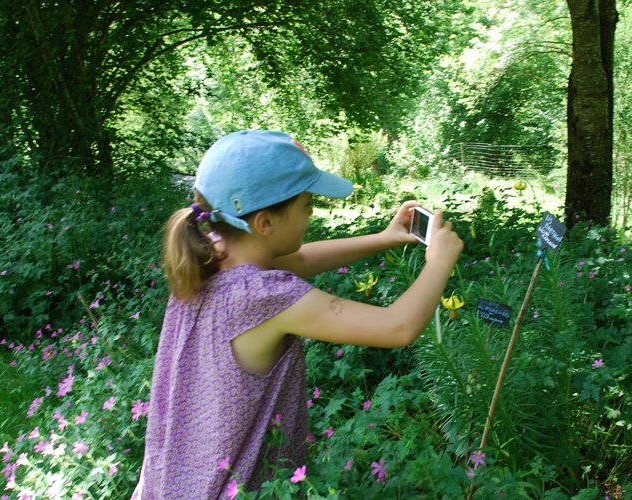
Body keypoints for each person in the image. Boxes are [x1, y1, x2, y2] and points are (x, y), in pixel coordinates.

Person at [132, 130, 462, 498]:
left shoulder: (209, 254)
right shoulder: (264, 296)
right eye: (307, 204)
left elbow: (301, 259)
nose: (311, 213)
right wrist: (439, 263)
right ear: (265, 223)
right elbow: (397, 327)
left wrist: (385, 238)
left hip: (168, 484)